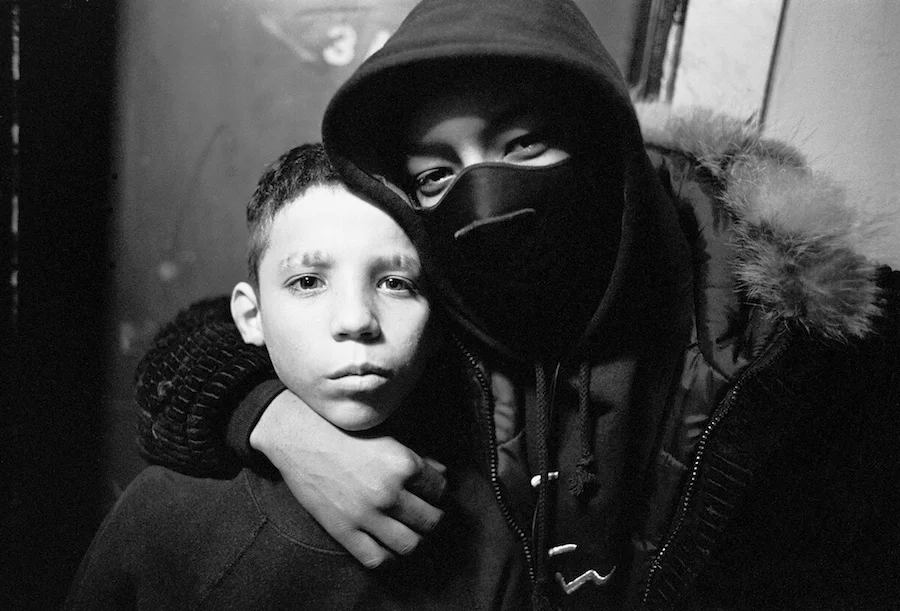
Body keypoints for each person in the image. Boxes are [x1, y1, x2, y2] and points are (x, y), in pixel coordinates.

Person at [135, 0, 900, 609]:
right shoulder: (456, 312)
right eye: (436, 175)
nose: (486, 195)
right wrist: (285, 428)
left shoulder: (820, 352)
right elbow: (200, 348)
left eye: (524, 144)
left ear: (603, 142)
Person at [66, 143, 527, 610]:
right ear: (252, 317)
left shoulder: (499, 537)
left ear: (439, 322)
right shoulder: (160, 518)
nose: (355, 320)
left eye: (395, 283)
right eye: (308, 281)